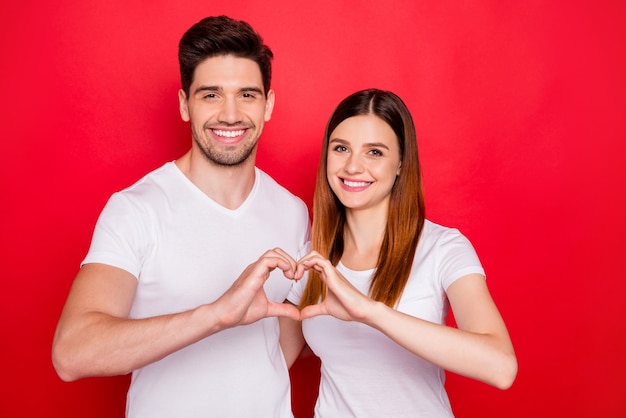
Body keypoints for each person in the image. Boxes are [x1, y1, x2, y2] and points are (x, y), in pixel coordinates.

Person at [52, 16, 310, 417]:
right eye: (210, 95)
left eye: (247, 95)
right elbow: (73, 352)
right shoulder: (136, 209)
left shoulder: (292, 211)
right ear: (184, 105)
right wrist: (215, 316)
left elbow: (286, 336)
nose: (230, 114)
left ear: (268, 104)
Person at [287, 89, 517, 417]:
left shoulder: (442, 248)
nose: (353, 166)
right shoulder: (313, 261)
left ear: (400, 165)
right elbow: (270, 362)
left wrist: (370, 312)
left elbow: (501, 367)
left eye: (375, 152)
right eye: (341, 149)